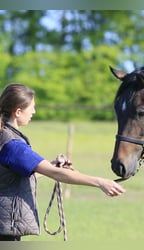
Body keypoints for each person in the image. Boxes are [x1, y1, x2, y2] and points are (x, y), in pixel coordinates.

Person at [0, 83, 126, 241]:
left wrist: (52, 165)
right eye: (31, 107)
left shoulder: (4, 136)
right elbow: (57, 174)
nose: (34, 111)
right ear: (18, 112)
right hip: (5, 229)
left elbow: (12, 179)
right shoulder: (14, 145)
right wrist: (100, 182)